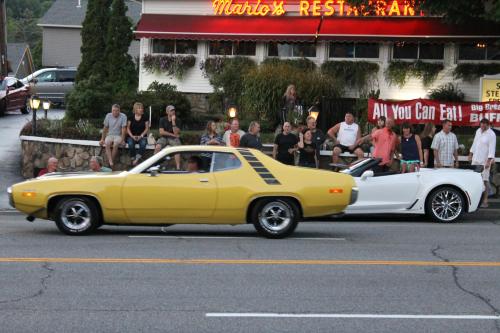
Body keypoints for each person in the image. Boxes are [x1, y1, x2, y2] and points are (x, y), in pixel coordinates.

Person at [469, 118, 496, 208]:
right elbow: (474, 143)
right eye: (481, 125)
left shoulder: (492, 134)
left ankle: (485, 200)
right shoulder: (478, 131)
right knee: (474, 179)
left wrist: (489, 161)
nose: (482, 127)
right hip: (475, 159)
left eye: (484, 126)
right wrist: (470, 154)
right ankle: (475, 199)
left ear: (488, 125)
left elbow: (492, 148)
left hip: (484, 161)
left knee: (485, 180)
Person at [99, 104, 127, 168]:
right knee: (107, 142)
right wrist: (102, 139)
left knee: (116, 143)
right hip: (110, 134)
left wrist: (123, 140)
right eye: (113, 110)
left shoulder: (123, 116)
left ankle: (110, 162)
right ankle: (111, 161)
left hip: (118, 135)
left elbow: (123, 129)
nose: (115, 112)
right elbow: (105, 128)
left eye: (117, 111)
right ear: (111, 110)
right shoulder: (108, 115)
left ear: (119, 111)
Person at [155, 105, 181, 170]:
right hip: (164, 138)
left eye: (174, 110)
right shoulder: (162, 119)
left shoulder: (177, 120)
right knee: (158, 147)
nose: (173, 112)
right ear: (167, 112)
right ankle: (155, 165)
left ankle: (178, 167)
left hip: (173, 139)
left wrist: (173, 122)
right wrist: (172, 135)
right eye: (171, 110)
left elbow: (176, 133)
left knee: (177, 148)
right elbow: (161, 132)